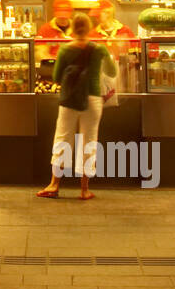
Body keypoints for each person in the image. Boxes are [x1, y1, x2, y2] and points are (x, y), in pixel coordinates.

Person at [38, 12, 117, 201]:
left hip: (70, 99)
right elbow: (112, 72)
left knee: (63, 138)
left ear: (73, 28)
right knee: (89, 141)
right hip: (92, 98)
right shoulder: (99, 49)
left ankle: (54, 184)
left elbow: (56, 77)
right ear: (90, 28)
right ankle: (84, 189)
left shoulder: (65, 50)